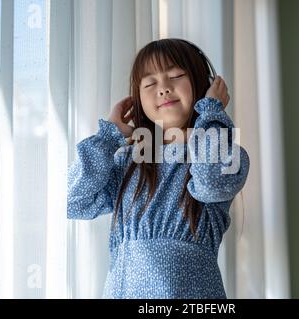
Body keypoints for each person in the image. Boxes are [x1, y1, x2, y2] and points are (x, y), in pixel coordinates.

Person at [67, 38, 250, 299]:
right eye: (150, 83)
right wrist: (108, 136)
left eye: (175, 75)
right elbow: (73, 201)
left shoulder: (224, 152)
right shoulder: (129, 162)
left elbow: (211, 183)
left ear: (204, 85)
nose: (163, 88)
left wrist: (211, 112)